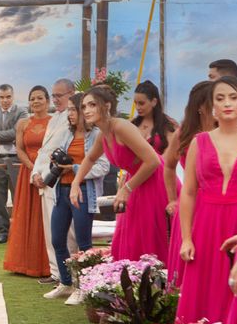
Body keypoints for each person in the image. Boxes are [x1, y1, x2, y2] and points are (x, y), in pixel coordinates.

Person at [69, 86, 167, 263]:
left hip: (154, 181)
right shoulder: (104, 134)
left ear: (106, 106)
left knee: (148, 237)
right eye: (84, 106)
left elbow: (153, 161)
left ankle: (156, 282)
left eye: (92, 104)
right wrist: (75, 183)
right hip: (135, 183)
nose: (87, 110)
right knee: (128, 236)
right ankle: (133, 282)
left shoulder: (121, 126)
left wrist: (127, 188)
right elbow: (89, 159)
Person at [176, 76, 237, 324]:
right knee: (202, 294)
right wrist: (185, 237)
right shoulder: (200, 141)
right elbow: (189, 191)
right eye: (220, 98)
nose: (227, 103)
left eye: (233, 97)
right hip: (205, 227)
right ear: (212, 106)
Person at [45, 93, 109, 302]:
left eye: (73, 109)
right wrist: (55, 164)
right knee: (57, 240)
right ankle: (65, 283)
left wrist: (72, 168)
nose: (70, 114)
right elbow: (59, 158)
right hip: (61, 191)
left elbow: (102, 166)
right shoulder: (67, 134)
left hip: (82, 192)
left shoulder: (98, 134)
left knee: (83, 243)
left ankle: (84, 288)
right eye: (70, 110)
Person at [163, 81, 215, 287]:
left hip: (216, 202)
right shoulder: (183, 133)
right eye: (216, 100)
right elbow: (167, 166)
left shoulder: (227, 132)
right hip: (190, 203)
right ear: (200, 106)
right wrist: (172, 199)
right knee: (191, 257)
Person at [32, 78, 78, 284]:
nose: (56, 100)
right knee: (51, 231)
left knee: (66, 232)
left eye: (60, 95)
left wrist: (47, 174)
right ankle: (56, 272)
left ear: (72, 93)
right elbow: (44, 151)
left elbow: (65, 151)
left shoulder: (72, 119)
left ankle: (70, 274)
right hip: (43, 178)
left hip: (59, 179)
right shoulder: (53, 120)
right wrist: (36, 173)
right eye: (55, 96)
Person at [3, 86, 51, 277]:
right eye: (32, 99)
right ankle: (23, 263)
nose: (36, 101)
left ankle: (46, 264)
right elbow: (20, 149)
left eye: (40, 98)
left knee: (44, 216)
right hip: (28, 171)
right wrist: (32, 168)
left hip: (47, 173)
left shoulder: (55, 122)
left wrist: (43, 170)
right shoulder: (23, 123)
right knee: (25, 214)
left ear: (47, 100)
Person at [0, 84, 28, 244]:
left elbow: (17, 132)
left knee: (18, 198)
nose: (5, 100)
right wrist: (0, 135)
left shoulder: (22, 112)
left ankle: (19, 231)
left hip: (16, 161)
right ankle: (3, 231)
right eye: (2, 97)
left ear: (13, 96)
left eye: (8, 97)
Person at [132, 80, 177, 154]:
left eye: (141, 103)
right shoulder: (132, 123)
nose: (137, 107)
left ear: (154, 102)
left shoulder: (168, 125)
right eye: (135, 103)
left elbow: (170, 157)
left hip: (160, 164)